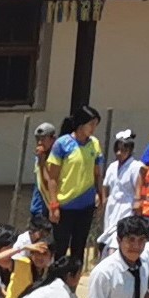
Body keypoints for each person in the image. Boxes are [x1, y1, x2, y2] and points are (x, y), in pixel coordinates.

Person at [43, 107, 103, 264]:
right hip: (65, 205)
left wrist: (101, 195)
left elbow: (97, 173)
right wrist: (54, 205)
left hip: (86, 205)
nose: (93, 128)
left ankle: (73, 282)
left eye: (96, 124)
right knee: (61, 248)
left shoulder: (94, 144)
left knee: (79, 247)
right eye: (91, 124)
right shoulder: (62, 144)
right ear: (81, 124)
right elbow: (52, 178)